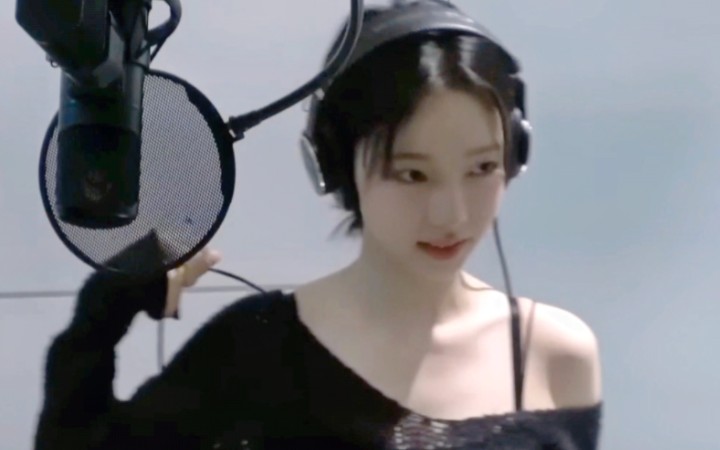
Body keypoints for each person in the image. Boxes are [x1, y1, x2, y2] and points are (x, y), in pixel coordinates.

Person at [34, 2, 602, 449]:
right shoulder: (257, 350)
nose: (451, 214)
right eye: (411, 174)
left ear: (515, 154)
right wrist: (104, 311)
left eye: (481, 168)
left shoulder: (558, 353)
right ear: (334, 164)